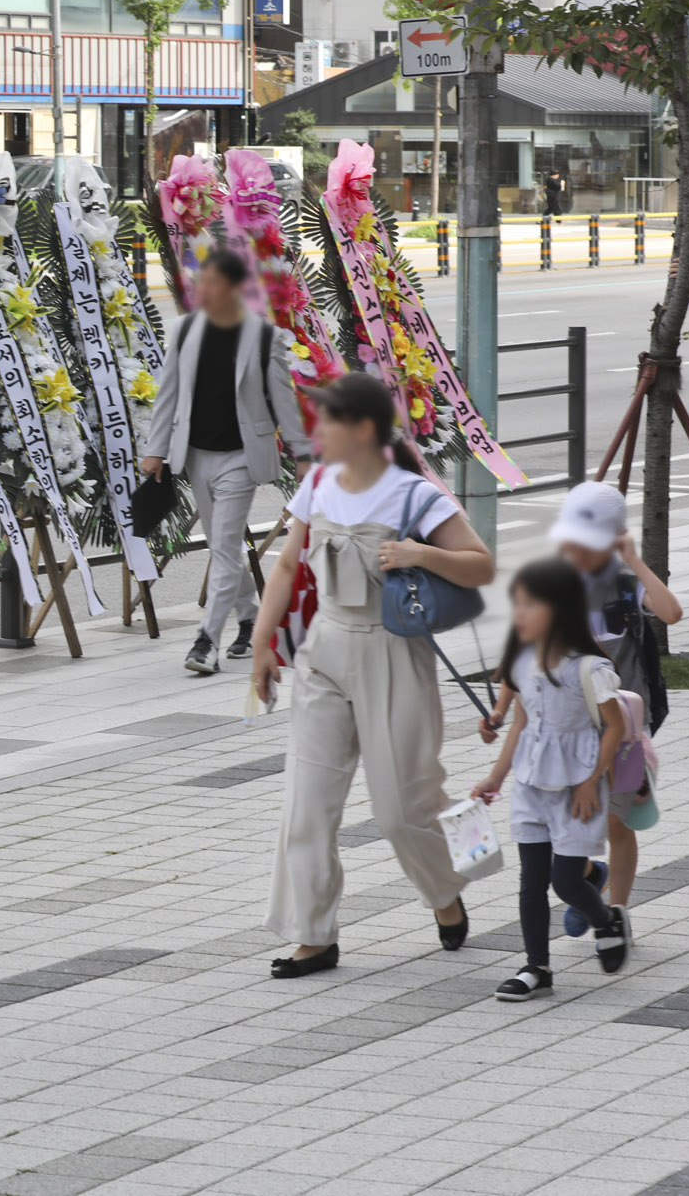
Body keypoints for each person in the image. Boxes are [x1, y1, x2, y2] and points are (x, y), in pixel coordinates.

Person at [252, 372, 495, 978]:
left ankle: (446, 889)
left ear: (362, 429)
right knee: (306, 806)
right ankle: (313, 936)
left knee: (402, 807)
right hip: (323, 652)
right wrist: (262, 643)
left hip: (393, 654)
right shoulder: (316, 483)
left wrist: (421, 554)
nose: (316, 432)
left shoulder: (414, 495)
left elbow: (481, 567)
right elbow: (285, 566)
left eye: (327, 420)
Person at [478, 481, 681, 940]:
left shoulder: (623, 585)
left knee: (615, 820)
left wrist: (633, 560)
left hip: (622, 724)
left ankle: (616, 913)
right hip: (563, 726)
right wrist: (500, 711)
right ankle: (587, 876)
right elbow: (524, 650)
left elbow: (671, 614)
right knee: (567, 817)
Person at [141, 247, 311, 675]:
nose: (203, 290)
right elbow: (168, 394)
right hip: (196, 455)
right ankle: (251, 617)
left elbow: (283, 400)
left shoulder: (263, 337)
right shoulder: (184, 331)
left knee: (223, 544)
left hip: (241, 456)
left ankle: (206, 640)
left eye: (213, 283)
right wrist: (155, 449)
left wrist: (303, 453)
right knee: (225, 544)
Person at [471, 559, 630, 1001]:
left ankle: (607, 920)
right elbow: (521, 723)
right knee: (531, 882)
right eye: (517, 604)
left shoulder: (589, 670)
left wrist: (590, 781)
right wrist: (495, 777)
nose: (519, 614)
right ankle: (536, 968)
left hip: (578, 789)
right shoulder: (522, 661)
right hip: (530, 784)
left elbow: (615, 727)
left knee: (566, 882)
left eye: (530, 604)